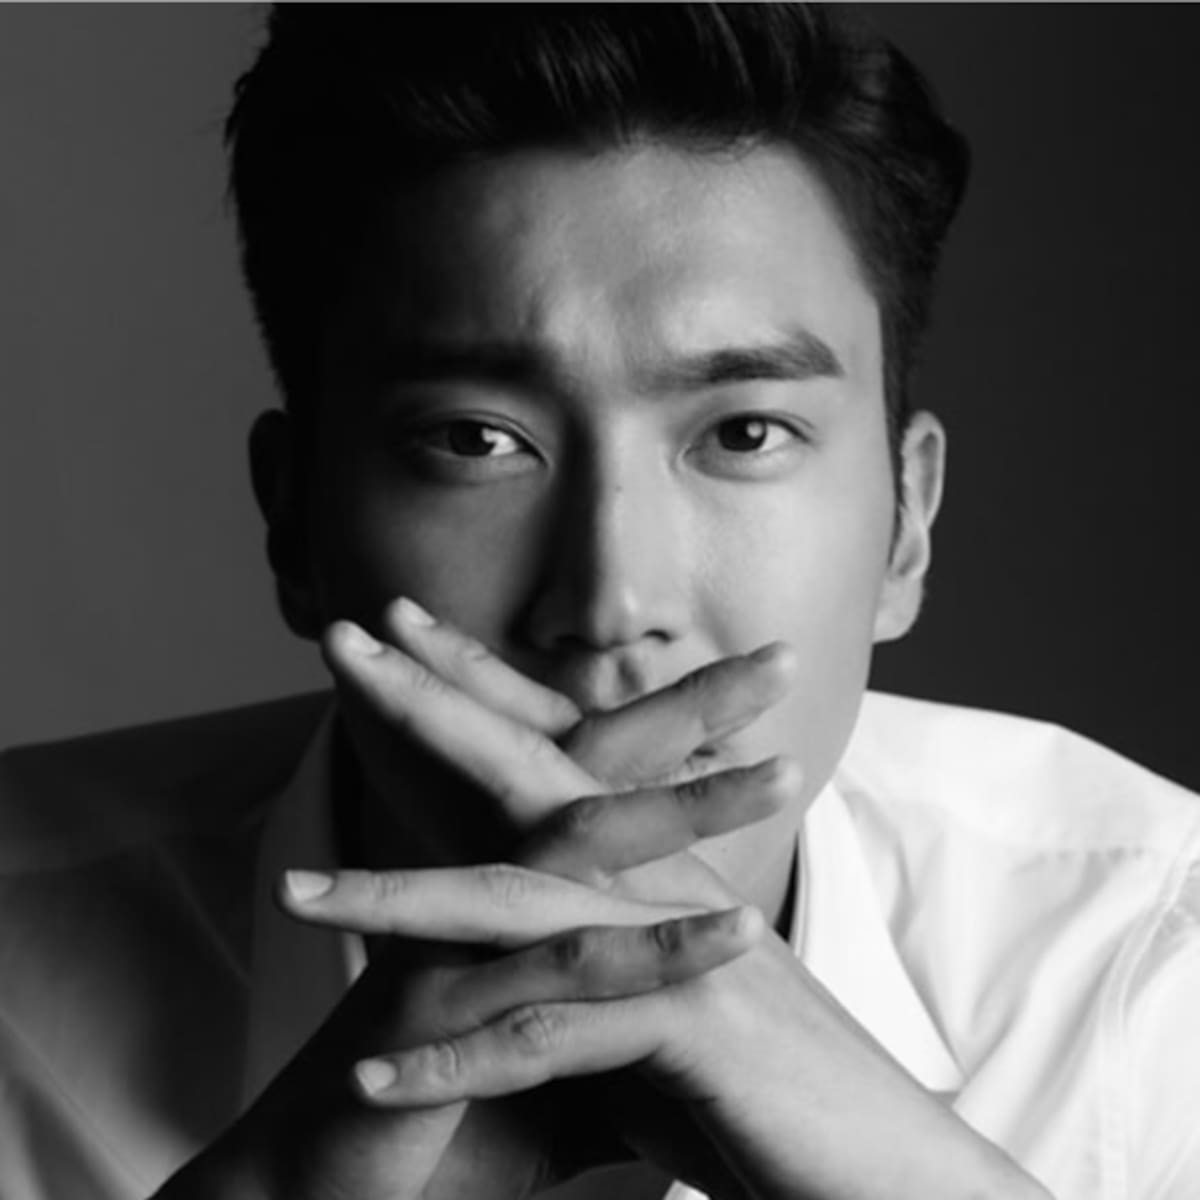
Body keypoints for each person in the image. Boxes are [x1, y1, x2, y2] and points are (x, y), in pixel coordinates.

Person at [1, 5, 1197, 1199]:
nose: (611, 606)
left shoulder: (1154, 966)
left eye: (745, 433)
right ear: (295, 523)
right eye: (474, 440)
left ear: (908, 524)